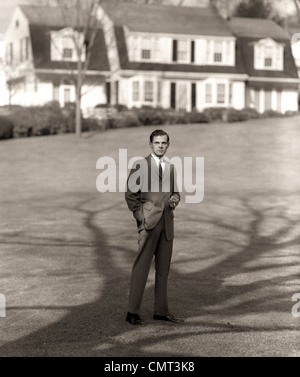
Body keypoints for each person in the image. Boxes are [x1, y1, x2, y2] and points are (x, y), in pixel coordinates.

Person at [125, 129, 183, 325]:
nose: (160, 146)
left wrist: (175, 198)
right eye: (157, 142)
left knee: (164, 270)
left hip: (167, 225)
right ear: (151, 144)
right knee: (141, 268)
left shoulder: (171, 167)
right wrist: (141, 217)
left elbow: (176, 192)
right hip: (149, 225)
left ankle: (161, 311)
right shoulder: (140, 165)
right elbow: (131, 196)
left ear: (168, 145)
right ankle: (132, 312)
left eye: (164, 143)